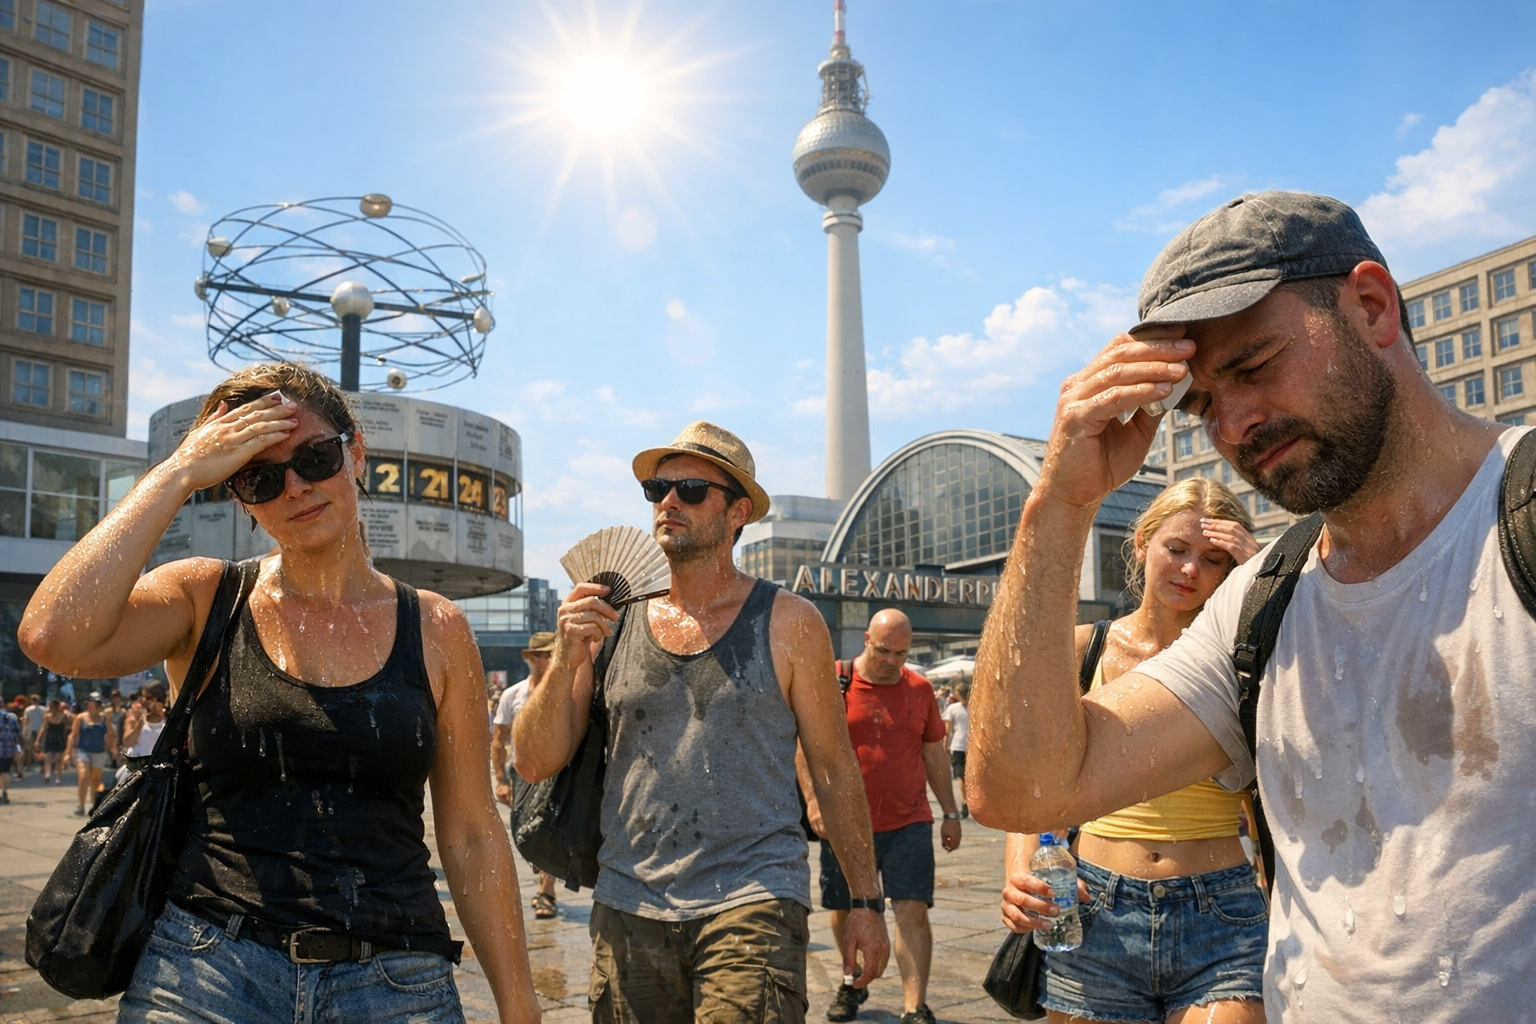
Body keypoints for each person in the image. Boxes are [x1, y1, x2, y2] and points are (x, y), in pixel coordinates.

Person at [969, 191, 1536, 1022]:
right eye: (1200, 405)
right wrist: (1058, 503)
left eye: (1254, 364)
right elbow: (1024, 788)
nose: (1234, 425)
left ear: (1373, 308)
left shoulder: (1516, 518)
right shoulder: (1263, 602)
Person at [18, 362, 541, 1024]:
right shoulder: (204, 597)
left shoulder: (438, 628)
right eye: (259, 477)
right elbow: (52, 637)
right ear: (239, 496)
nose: (294, 487)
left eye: (315, 457)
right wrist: (178, 472)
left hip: (395, 975)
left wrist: (520, 1005)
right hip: (208, 965)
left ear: (356, 452)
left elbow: (469, 833)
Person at [515, 421, 890, 1024]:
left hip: (755, 895)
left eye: (691, 489)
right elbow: (534, 761)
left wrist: (866, 901)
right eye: (657, 490)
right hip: (629, 897)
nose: (667, 502)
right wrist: (565, 655)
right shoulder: (614, 619)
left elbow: (833, 766)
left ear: (737, 512)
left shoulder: (790, 621)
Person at [1001, 478, 1266, 1024]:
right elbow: (1033, 785)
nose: (1191, 570)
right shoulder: (1081, 650)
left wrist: (1265, 581)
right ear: (1143, 543)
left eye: (1215, 559)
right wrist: (1021, 870)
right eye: (1177, 549)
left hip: (1222, 911)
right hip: (1092, 908)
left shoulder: (1249, 661)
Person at [800, 609, 962, 1024]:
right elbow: (805, 745)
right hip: (847, 823)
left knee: (912, 910)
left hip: (909, 819)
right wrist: (815, 803)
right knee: (844, 909)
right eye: (885, 650)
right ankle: (854, 980)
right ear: (867, 639)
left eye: (902, 653)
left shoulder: (920, 689)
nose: (892, 661)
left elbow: (933, 754)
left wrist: (949, 811)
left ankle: (914, 1004)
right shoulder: (836, 681)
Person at [492, 631, 561, 919]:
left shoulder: (566, 692)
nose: (547, 660)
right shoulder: (513, 695)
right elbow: (498, 740)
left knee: (550, 829)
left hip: (557, 772)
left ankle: (546, 891)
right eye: (542, 654)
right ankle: (538, 858)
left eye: (551, 654)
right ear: (532, 658)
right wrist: (500, 779)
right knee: (524, 831)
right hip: (521, 772)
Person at [64, 692, 118, 815]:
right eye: (92, 702)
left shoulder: (104, 718)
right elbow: (73, 736)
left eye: (96, 703)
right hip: (82, 751)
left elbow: (110, 734)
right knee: (83, 777)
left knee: (95, 780)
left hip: (99, 751)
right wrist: (67, 753)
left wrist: (113, 747)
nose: (94, 705)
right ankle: (81, 805)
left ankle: (94, 806)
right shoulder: (80, 717)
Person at [116, 681, 169, 784]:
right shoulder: (134, 718)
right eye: (143, 697)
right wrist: (140, 722)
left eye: (149, 698)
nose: (144, 701)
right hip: (136, 769)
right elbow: (127, 742)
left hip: (157, 770)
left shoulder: (168, 719)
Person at [940, 683, 969, 814]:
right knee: (962, 776)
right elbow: (948, 730)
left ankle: (972, 802)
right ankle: (965, 802)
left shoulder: (978, 707)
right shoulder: (953, 708)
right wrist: (945, 744)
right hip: (958, 746)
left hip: (975, 748)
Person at [35, 699, 70, 785]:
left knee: (58, 759)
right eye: (51, 707)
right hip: (50, 738)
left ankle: (58, 777)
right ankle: (47, 773)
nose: (52, 709)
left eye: (53, 707)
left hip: (60, 738)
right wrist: (37, 740)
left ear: (58, 707)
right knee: (48, 757)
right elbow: (43, 728)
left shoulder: (63, 716)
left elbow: (67, 727)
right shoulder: (47, 716)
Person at [0, 701, 21, 803]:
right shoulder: (12, 717)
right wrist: (20, 748)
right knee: (5, 772)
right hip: (8, 748)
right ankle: (4, 792)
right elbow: (17, 734)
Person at [22, 694, 44, 776]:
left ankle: (29, 765)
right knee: (40, 749)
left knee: (29, 748)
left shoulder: (28, 709)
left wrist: (24, 731)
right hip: (40, 731)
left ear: (31, 701)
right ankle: (41, 765)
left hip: (31, 730)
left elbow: (26, 721)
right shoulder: (43, 709)